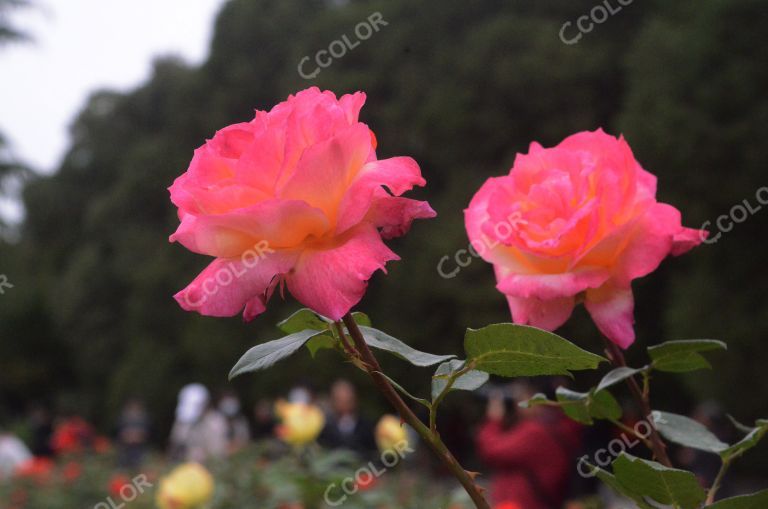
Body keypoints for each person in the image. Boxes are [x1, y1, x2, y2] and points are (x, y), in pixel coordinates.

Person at [476, 380, 583, 509]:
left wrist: (494, 421)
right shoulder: (559, 426)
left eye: (522, 398)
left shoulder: (536, 433)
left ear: (537, 399)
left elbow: (493, 451)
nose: (517, 405)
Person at [169, 384, 227, 463]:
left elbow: (218, 454)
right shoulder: (182, 421)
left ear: (205, 404)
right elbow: (175, 447)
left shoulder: (216, 423)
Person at [319, 380, 375, 455]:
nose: (344, 405)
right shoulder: (324, 428)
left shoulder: (367, 427)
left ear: (355, 400)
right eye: (339, 400)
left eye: (348, 400)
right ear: (332, 401)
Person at [116, 398, 151, 469]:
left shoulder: (144, 418)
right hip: (124, 448)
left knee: (137, 468)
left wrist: (136, 437)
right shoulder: (123, 417)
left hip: (138, 449)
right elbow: (120, 432)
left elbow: (145, 433)